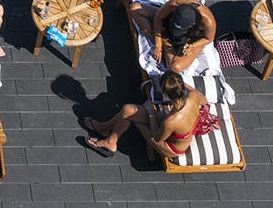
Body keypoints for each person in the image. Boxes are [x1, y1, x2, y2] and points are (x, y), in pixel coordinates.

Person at [79, 70, 217, 163]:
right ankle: (108, 136)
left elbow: (157, 137)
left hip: (170, 146)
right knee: (128, 109)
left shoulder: (172, 120)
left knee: (131, 116)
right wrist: (178, 83)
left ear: (166, 94)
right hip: (174, 131)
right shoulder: (193, 96)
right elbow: (204, 100)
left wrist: (151, 112)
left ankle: (107, 134)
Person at [128, 0, 217, 78]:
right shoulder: (175, 3)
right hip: (167, 26)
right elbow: (158, 18)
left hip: (190, 39)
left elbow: (208, 39)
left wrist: (192, 46)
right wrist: (158, 44)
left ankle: (165, 43)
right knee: (135, 8)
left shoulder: (208, 22)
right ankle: (164, 42)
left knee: (175, 67)